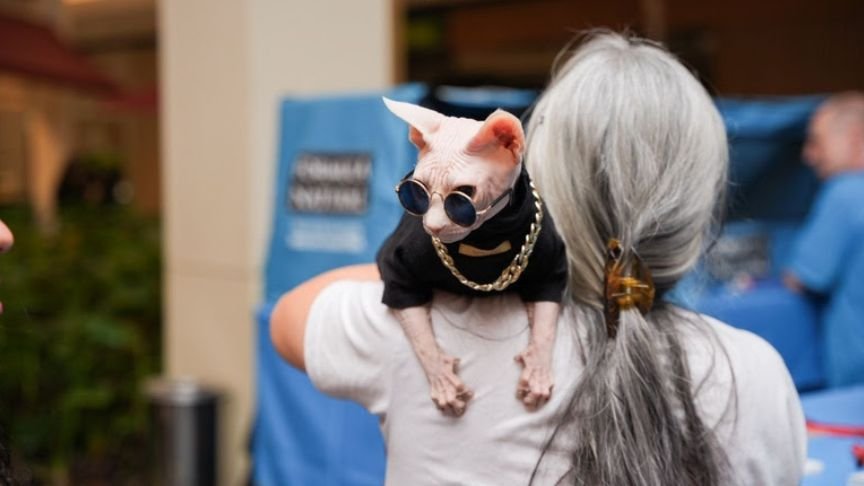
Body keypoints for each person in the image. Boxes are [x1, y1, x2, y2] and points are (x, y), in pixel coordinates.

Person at [271, 32, 806, 485]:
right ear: (701, 202)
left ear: (534, 176)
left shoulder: (420, 330)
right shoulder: (754, 372)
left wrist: (440, 261)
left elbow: (289, 318)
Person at [784, 92, 864, 388]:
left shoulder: (846, 192)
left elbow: (802, 278)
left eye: (817, 142)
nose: (809, 155)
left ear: (856, 138)